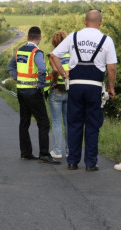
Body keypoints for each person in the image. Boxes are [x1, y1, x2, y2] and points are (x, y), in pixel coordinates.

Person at [50, 9, 117, 171]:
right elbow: (112, 68)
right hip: (94, 87)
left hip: (75, 86)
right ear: (100, 22)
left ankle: (73, 162)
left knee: (74, 123)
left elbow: (53, 55)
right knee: (93, 124)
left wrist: (64, 74)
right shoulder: (106, 40)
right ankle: (90, 163)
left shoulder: (73, 37)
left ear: (85, 22)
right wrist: (111, 88)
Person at [8, 26, 61, 165]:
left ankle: (25, 153)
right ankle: (44, 154)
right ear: (40, 37)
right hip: (33, 91)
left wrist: (19, 79)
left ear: (27, 37)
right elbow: (42, 69)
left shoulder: (18, 51)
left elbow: (10, 67)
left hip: (21, 90)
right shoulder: (36, 52)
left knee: (24, 122)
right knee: (43, 122)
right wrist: (41, 86)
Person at [47, 31, 70, 159]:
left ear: (54, 42)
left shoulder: (53, 54)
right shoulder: (72, 54)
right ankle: (68, 150)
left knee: (56, 122)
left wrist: (54, 82)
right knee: (67, 122)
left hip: (57, 91)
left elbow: (55, 70)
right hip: (70, 90)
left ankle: (57, 150)